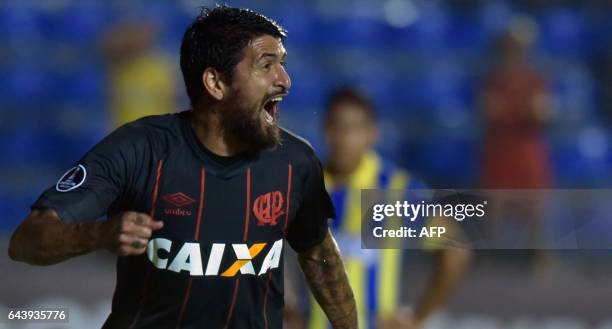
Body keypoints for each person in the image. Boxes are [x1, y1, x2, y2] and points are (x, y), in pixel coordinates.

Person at [8, 6, 357, 329]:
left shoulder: (295, 162)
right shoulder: (139, 149)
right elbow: (25, 241)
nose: (285, 80)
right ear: (215, 83)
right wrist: (98, 234)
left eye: (282, 64)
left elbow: (318, 254)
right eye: (267, 65)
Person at [297, 88, 471, 329]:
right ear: (324, 130)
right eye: (335, 127)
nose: (343, 138)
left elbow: (455, 252)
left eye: (353, 129)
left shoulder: (398, 190)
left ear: (371, 134)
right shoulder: (304, 187)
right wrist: (289, 305)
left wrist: (416, 318)